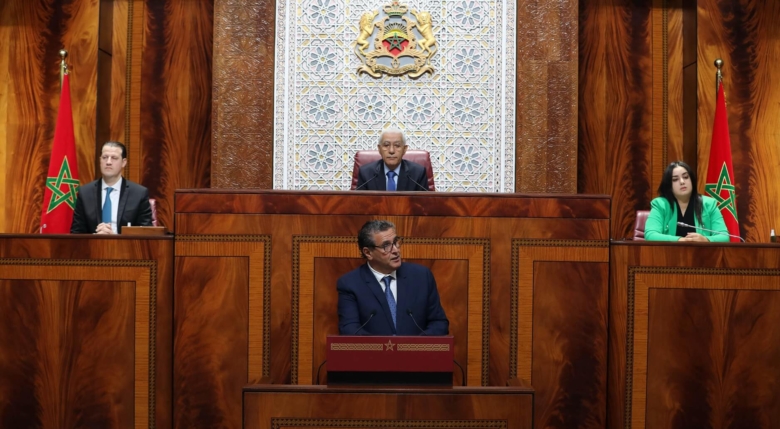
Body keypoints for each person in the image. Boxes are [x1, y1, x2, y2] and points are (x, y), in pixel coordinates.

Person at [337, 220, 449, 335]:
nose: (395, 250)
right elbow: (349, 329)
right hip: (373, 348)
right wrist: (385, 345)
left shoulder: (421, 276)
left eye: (395, 242)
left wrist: (414, 344)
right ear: (368, 253)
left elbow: (439, 323)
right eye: (386, 246)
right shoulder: (350, 284)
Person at [70, 141, 153, 234]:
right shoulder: (85, 193)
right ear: (100, 160)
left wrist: (114, 238)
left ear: (123, 162)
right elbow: (77, 233)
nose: (108, 162)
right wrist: (94, 238)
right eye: (105, 157)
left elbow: (146, 234)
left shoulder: (138, 194)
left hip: (124, 243)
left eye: (114, 158)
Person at [644, 161, 729, 242]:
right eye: (675, 179)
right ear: (669, 185)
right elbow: (650, 235)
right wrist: (681, 240)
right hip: (668, 252)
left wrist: (706, 240)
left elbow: (724, 236)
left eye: (685, 177)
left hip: (702, 252)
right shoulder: (660, 205)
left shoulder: (709, 204)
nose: (682, 182)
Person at [354, 128, 429, 191]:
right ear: (379, 149)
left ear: (404, 149)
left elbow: (424, 202)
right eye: (386, 145)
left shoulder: (418, 173)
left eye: (397, 145)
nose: (391, 151)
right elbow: (359, 202)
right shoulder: (366, 173)